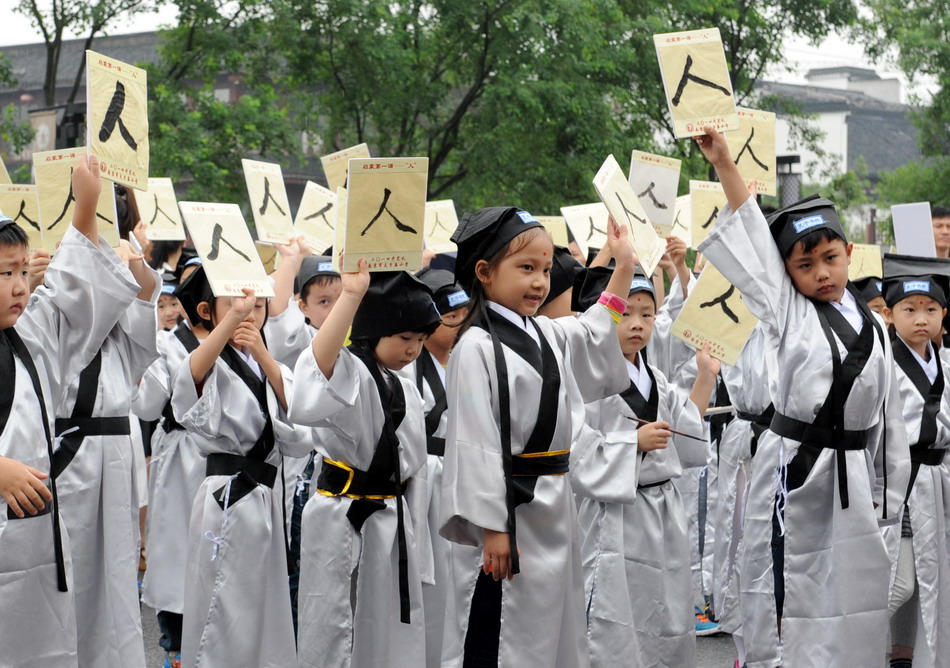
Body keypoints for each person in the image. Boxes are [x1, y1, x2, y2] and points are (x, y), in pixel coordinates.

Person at [695, 126, 910, 668]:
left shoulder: (878, 328)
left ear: (850, 253)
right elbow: (751, 234)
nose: (821, 274)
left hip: (856, 480)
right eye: (804, 265)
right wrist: (725, 164)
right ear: (786, 273)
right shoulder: (785, 314)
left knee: (856, 607)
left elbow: (889, 426)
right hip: (795, 473)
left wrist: (887, 504)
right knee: (790, 600)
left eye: (830, 259)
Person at [439, 207, 636, 668]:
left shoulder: (545, 333)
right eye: (526, 268)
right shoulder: (474, 347)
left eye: (546, 270)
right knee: (504, 628)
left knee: (552, 630)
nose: (540, 282)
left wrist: (623, 267)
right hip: (511, 509)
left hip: (553, 502)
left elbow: (592, 331)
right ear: (484, 273)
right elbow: (474, 441)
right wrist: (492, 527)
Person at [0, 153, 144, 668]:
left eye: (21, 270)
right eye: (4, 273)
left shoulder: (28, 335)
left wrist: (86, 205)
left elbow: (68, 294)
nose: (20, 285)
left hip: (34, 536)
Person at [289, 268, 440, 668]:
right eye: (405, 338)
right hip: (343, 512)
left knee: (386, 623)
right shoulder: (350, 372)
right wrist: (352, 296)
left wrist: (418, 543)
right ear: (374, 330)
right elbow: (316, 370)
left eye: (421, 341)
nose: (413, 350)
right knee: (335, 622)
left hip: (391, 514)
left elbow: (415, 470)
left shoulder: (405, 384)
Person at [573, 268, 718, 667]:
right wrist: (631, 444)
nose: (636, 324)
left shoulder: (657, 379)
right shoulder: (589, 382)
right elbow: (579, 452)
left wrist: (706, 375)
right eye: (626, 314)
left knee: (665, 612)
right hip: (615, 515)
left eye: (646, 314)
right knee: (615, 618)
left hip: (663, 514)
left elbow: (687, 433)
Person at [171, 283, 309, 668]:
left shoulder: (270, 365)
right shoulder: (208, 361)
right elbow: (188, 384)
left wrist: (265, 356)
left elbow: (301, 431)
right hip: (226, 494)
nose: (249, 314)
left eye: (258, 307)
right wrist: (233, 317)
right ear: (206, 310)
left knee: (265, 605)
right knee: (225, 603)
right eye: (233, 306)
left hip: (265, 495)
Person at [48, 228, 159, 668]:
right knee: (72, 575)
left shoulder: (119, 336)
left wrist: (133, 262)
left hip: (115, 451)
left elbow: (144, 301)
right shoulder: (54, 320)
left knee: (116, 574)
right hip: (70, 452)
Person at [133, 265, 212, 668]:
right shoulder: (168, 344)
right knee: (176, 553)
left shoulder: (248, 345)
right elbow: (147, 404)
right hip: (181, 453)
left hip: (227, 462)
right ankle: (175, 648)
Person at [399, 266, 471, 668]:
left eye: (465, 316)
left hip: (463, 473)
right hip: (426, 480)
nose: (459, 325)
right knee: (431, 582)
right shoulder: (412, 365)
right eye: (450, 317)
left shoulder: (471, 356)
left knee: (462, 581)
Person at [881, 266, 950, 668]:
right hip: (898, 481)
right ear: (889, 315)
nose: (921, 318)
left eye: (930, 309)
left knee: (929, 583)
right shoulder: (881, 358)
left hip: (936, 480)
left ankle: (903, 656)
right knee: (899, 581)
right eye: (909, 309)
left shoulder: (943, 360)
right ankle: (854, 647)